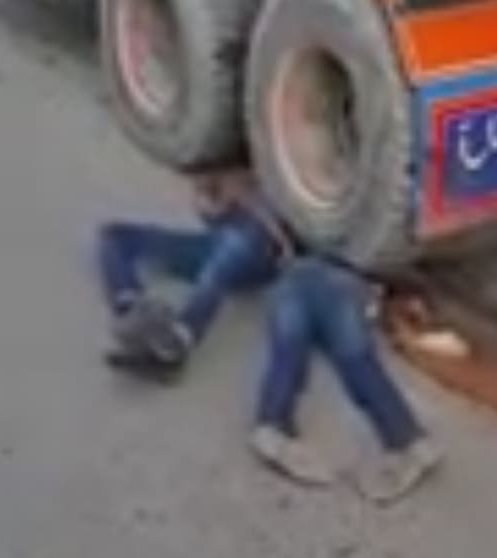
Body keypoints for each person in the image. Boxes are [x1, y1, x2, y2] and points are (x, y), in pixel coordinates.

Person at [251, 256, 442, 504]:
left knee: (289, 350)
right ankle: (410, 440)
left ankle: (273, 424)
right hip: (345, 279)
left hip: (297, 274)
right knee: (358, 361)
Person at [98, 168, 291, 383]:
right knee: (113, 236)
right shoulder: (216, 168)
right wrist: (211, 197)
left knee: (239, 241)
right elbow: (210, 215)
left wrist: (248, 198)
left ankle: (178, 340)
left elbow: (288, 238)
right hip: (215, 245)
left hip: (259, 251)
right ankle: (131, 308)